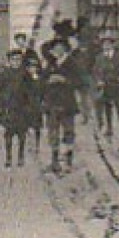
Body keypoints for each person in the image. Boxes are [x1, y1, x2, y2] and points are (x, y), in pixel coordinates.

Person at [40, 38, 80, 174]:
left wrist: (65, 80)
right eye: (55, 48)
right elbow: (42, 81)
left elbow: (80, 81)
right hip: (52, 103)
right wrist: (48, 81)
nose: (57, 51)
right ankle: (54, 162)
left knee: (68, 132)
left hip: (67, 104)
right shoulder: (49, 64)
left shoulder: (72, 63)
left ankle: (68, 162)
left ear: (65, 49)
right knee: (53, 133)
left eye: (60, 48)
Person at [0, 49, 40, 169]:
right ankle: (8, 157)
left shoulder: (25, 74)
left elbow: (31, 91)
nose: (16, 62)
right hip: (9, 108)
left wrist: (29, 106)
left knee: (22, 134)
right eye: (13, 60)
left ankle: (21, 157)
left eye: (18, 60)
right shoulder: (4, 73)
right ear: (9, 61)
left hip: (22, 108)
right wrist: (2, 102)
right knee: (8, 135)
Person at [93, 35, 119, 142]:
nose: (106, 46)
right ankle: (109, 128)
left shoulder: (118, 56)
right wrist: (99, 80)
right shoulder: (99, 58)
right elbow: (95, 71)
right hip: (105, 86)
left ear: (112, 44)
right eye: (104, 44)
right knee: (107, 108)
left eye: (108, 43)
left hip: (116, 86)